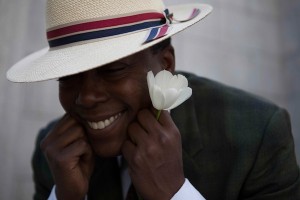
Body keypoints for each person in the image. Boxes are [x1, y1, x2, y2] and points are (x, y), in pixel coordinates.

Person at [6, 0, 300, 199]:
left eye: (113, 70)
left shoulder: (258, 135)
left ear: (166, 64)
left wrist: (175, 194)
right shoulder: (54, 159)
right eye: (67, 77)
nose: (87, 97)